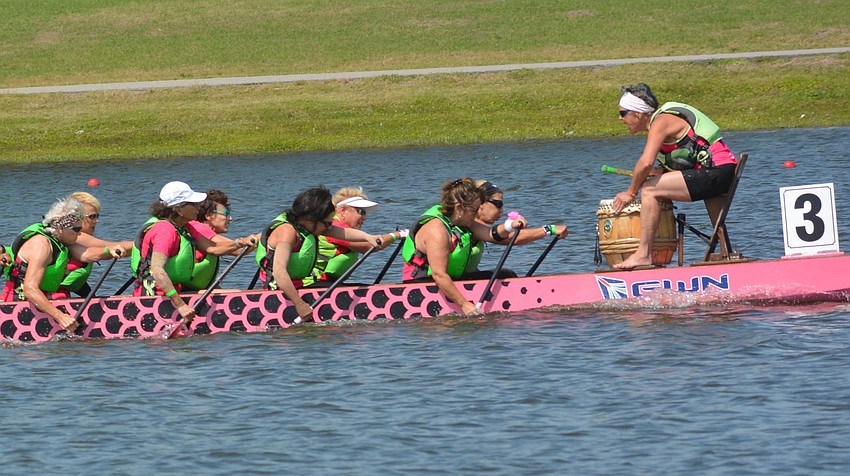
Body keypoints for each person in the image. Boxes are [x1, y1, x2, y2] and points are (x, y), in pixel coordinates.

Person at [611, 82, 738, 270]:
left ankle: (643, 255)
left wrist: (630, 193)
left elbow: (645, 162)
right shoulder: (664, 122)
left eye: (623, 113)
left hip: (716, 172)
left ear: (638, 113)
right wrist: (660, 172)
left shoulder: (661, 121)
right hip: (721, 171)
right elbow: (685, 160)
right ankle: (727, 254)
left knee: (649, 190)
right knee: (654, 183)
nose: (620, 119)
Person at [255, 186, 393, 321]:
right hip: (280, 294)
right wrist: (299, 304)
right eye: (327, 223)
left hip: (301, 286)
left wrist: (368, 237)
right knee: (360, 293)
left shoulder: (307, 225)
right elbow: (279, 272)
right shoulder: (287, 232)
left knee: (362, 289)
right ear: (311, 219)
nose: (329, 227)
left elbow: (339, 232)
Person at [130, 181, 254, 326]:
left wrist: (240, 243)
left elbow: (213, 248)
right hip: (153, 300)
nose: (198, 207)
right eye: (193, 204)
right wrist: (180, 305)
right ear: (179, 209)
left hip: (171, 295)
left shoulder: (185, 227)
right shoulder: (165, 230)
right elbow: (157, 270)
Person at [402, 178, 528, 316]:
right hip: (422, 285)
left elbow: (491, 234)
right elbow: (438, 275)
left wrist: (511, 226)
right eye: (474, 211)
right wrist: (464, 304)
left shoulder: (460, 221)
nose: (476, 215)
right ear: (459, 208)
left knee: (506, 274)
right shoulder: (437, 231)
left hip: (449, 279)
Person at [3, 197, 123, 332]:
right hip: (19, 308)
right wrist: (60, 317)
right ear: (60, 227)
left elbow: (87, 254)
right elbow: (30, 289)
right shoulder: (41, 246)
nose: (79, 234)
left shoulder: (60, 240)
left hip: (41, 304)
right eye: (77, 229)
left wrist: (109, 251)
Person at [469, 179, 568, 276]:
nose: (501, 211)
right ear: (480, 203)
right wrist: (550, 229)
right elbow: (509, 238)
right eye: (498, 204)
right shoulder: (470, 223)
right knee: (507, 274)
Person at [54, 191, 133, 299]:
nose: (96, 221)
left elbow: (76, 282)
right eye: (92, 217)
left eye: (97, 216)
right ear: (76, 217)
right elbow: (115, 247)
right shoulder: (79, 237)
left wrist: (93, 298)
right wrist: (147, 242)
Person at [302, 187, 384, 287]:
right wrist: (396, 235)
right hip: (312, 284)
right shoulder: (333, 226)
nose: (364, 217)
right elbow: (369, 246)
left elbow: (369, 240)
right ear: (343, 210)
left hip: (327, 284)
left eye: (365, 213)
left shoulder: (334, 226)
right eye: (361, 212)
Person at [183, 189, 259, 292]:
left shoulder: (201, 230)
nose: (230, 218)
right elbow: (239, 250)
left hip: (195, 288)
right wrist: (264, 236)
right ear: (209, 215)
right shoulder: (198, 228)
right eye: (226, 213)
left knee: (239, 292)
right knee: (236, 293)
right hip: (184, 291)